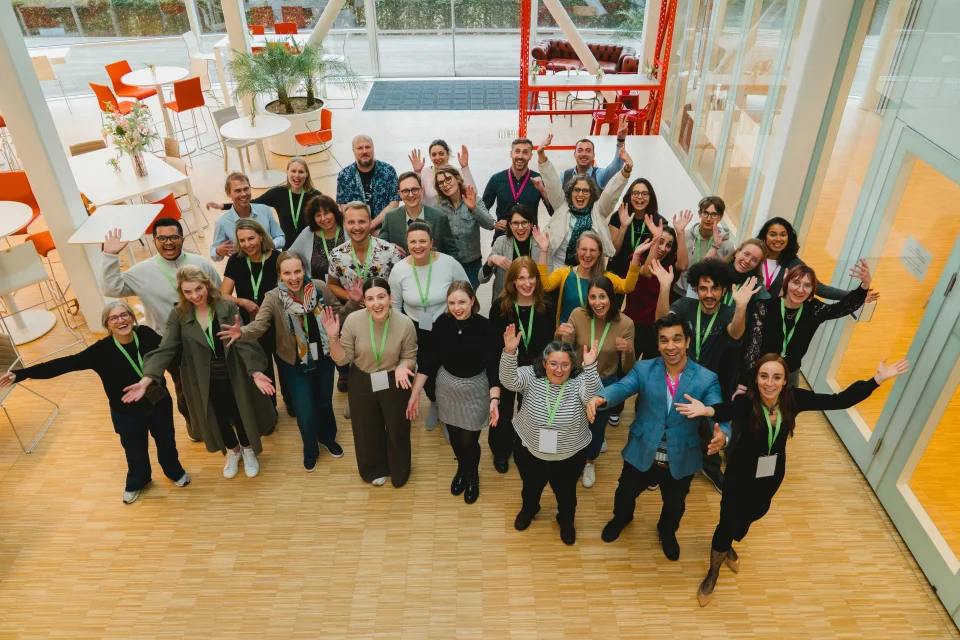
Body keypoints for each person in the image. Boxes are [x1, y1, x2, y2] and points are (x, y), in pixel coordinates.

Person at [675, 354, 909, 606]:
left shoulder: (794, 400)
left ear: (786, 380)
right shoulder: (747, 402)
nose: (769, 383)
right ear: (756, 378)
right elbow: (726, 410)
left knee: (754, 513)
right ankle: (713, 572)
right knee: (727, 522)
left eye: (776, 377)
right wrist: (707, 410)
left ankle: (730, 540)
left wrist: (876, 380)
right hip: (740, 475)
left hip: (771, 474)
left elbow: (839, 401)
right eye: (764, 376)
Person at [0, 302, 189, 505]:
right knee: (134, 451)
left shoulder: (146, 334)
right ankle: (138, 481)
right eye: (114, 318)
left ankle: (173, 470)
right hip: (126, 412)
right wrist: (22, 374)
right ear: (107, 325)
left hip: (158, 402)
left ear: (132, 319)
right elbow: (65, 364)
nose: (121, 320)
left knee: (167, 441)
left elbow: (171, 350)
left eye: (124, 315)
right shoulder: (101, 351)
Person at [586, 313, 732, 561]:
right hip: (642, 450)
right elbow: (622, 388)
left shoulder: (706, 378)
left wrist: (723, 435)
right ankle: (622, 518)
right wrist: (602, 396)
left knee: (675, 507)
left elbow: (718, 410)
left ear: (687, 341)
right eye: (664, 340)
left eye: (677, 339)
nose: (670, 346)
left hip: (681, 456)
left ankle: (666, 532)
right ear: (657, 344)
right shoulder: (644, 369)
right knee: (624, 495)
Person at [122, 266, 277, 479]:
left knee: (241, 411)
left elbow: (240, 340)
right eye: (187, 292)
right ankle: (233, 451)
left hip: (233, 372)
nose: (194, 296)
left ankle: (248, 450)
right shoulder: (178, 315)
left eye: (198, 289)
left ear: (207, 284)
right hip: (202, 378)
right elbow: (166, 348)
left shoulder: (226, 305)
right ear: (181, 292)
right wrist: (147, 380)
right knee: (217, 415)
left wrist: (255, 372)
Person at [219, 252, 346, 472]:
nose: (293, 277)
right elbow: (260, 325)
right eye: (287, 272)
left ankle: (327, 438)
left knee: (324, 403)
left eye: (297, 271)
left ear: (304, 270)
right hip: (295, 364)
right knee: (305, 412)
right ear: (280, 274)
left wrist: (353, 303)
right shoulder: (273, 297)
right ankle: (310, 450)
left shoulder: (319, 287)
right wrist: (243, 332)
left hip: (324, 358)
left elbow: (337, 312)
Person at [100, 221, 222, 442]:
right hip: (172, 343)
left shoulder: (199, 263)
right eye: (162, 238)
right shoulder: (142, 271)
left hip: (206, 337)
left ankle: (224, 417)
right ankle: (195, 425)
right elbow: (112, 288)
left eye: (174, 237)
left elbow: (219, 293)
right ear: (154, 241)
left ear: (182, 239)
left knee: (216, 379)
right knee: (184, 387)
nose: (168, 242)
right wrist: (110, 256)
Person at [652, 258, 759, 491]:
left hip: (715, 384)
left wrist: (741, 307)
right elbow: (662, 322)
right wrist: (664, 288)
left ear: (723, 290)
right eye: (703, 288)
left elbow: (735, 333)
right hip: (679, 380)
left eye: (715, 288)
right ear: (695, 289)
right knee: (671, 424)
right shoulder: (684, 306)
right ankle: (661, 465)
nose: (709, 294)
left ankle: (711, 467)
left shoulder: (731, 312)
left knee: (713, 429)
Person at [500, 330, 601, 545]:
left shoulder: (580, 381)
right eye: (553, 364)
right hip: (530, 451)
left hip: (568, 456)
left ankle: (566, 521)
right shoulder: (530, 375)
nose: (558, 370)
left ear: (572, 366)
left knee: (566, 496)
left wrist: (591, 366)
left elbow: (593, 394)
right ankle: (530, 509)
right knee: (530, 487)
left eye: (565, 365)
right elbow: (508, 380)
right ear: (544, 363)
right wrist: (509, 351)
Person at [409, 281, 500, 504]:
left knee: (469, 441)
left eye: (462, 302)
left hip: (476, 389)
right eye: (452, 303)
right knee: (457, 440)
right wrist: (414, 395)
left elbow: (493, 365)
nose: (457, 307)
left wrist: (494, 398)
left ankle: (472, 475)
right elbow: (428, 361)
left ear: (473, 301)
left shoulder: (485, 327)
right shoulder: (441, 324)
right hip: (447, 388)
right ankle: (462, 468)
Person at [325, 277, 418, 488]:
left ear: (391, 298)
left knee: (397, 428)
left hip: (395, 378)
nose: (377, 304)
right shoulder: (353, 321)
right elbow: (342, 359)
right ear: (364, 302)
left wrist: (404, 368)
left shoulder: (405, 324)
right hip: (362, 379)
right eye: (370, 299)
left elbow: (409, 356)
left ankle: (399, 468)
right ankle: (373, 468)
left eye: (381, 297)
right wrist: (333, 337)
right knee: (366, 428)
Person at [389, 220, 468, 432]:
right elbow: (395, 305)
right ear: (406, 243)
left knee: (449, 366)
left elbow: (467, 292)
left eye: (423, 241)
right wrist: (402, 332)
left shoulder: (448, 263)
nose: (418, 246)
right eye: (413, 241)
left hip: (448, 323)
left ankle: (450, 410)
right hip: (416, 326)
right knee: (427, 367)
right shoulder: (398, 270)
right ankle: (434, 402)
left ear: (431, 242)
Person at [743, 261, 872, 387]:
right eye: (796, 283)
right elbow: (752, 347)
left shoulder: (814, 309)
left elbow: (841, 308)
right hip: (763, 373)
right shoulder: (764, 307)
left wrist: (865, 285)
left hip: (790, 374)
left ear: (812, 290)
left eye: (807, 286)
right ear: (787, 283)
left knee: (788, 408)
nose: (800, 290)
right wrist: (746, 383)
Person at [559, 276, 635, 489]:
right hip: (576, 379)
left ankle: (590, 462)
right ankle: (572, 457)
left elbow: (629, 368)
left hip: (604, 382)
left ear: (611, 298)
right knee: (573, 422)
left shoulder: (626, 323)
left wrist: (627, 351)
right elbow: (565, 351)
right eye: (592, 297)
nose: (597, 302)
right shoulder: (578, 315)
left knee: (597, 427)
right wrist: (561, 336)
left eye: (602, 296)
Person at [327, 201, 404, 400]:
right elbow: (332, 285)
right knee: (359, 362)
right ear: (344, 224)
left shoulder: (390, 251)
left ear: (371, 222)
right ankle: (363, 401)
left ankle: (390, 400)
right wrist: (352, 298)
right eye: (351, 222)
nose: (357, 227)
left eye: (362, 221)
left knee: (385, 359)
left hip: (385, 317)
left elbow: (399, 285)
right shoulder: (337, 255)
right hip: (356, 318)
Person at [488, 257, 556, 474]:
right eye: (521, 278)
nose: (527, 283)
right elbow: (492, 347)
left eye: (531, 277)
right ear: (512, 282)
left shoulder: (547, 306)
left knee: (532, 411)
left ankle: (527, 446)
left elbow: (548, 343)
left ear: (537, 278)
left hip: (536, 368)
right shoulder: (500, 307)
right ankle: (501, 450)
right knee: (504, 411)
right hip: (508, 364)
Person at [221, 218, 289, 416]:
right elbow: (223, 293)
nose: (247, 244)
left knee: (285, 364)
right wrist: (243, 301)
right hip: (250, 323)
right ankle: (269, 409)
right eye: (242, 240)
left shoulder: (278, 258)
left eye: (251, 238)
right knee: (261, 365)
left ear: (261, 236)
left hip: (277, 322)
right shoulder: (236, 261)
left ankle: (291, 401)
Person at [536, 134, 632, 269]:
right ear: (570, 192)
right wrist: (541, 156)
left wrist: (627, 169)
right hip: (558, 267)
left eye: (585, 191)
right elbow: (552, 183)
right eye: (576, 190)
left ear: (591, 194)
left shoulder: (598, 210)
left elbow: (611, 193)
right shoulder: (561, 205)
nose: (580, 194)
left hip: (589, 269)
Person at [535, 229, 642, 326]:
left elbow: (627, 287)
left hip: (594, 337)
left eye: (592, 250)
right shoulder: (564, 274)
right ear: (577, 250)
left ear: (599, 253)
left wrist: (636, 257)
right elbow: (545, 286)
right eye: (583, 249)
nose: (587, 254)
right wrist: (544, 251)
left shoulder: (605, 278)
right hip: (567, 335)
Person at [207, 157, 320, 244]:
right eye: (293, 171)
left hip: (309, 245)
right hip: (287, 247)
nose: (297, 175)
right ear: (287, 172)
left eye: (301, 172)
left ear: (306, 174)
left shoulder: (315, 197)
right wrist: (222, 206)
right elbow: (249, 202)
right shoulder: (278, 193)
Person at [623, 217, 688, 361]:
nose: (663, 248)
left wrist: (681, 233)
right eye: (660, 241)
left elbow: (683, 265)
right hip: (632, 323)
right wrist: (655, 241)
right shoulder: (637, 257)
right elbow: (647, 272)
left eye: (668, 245)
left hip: (657, 327)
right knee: (625, 367)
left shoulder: (669, 264)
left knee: (651, 368)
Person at [757, 217, 861, 300]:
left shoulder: (794, 264)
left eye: (783, 235)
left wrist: (856, 295)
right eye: (772, 234)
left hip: (770, 317)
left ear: (789, 238)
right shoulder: (754, 257)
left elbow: (819, 288)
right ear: (764, 236)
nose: (778, 239)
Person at [434, 164, 495, 289]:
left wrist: (474, 208)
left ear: (457, 178)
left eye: (448, 179)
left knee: (469, 300)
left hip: (472, 264)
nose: (445, 184)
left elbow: (490, 224)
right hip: (448, 264)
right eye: (441, 183)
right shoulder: (438, 207)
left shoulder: (474, 200)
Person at [482, 137, 553, 242]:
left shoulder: (538, 180)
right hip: (502, 239)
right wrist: (492, 224)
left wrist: (543, 190)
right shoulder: (496, 179)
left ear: (530, 156)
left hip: (529, 241)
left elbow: (552, 211)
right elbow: (482, 208)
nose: (520, 156)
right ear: (511, 154)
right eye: (517, 151)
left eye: (525, 152)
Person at [209, 172, 285, 262]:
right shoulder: (222, 222)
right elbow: (214, 255)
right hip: (243, 268)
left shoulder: (265, 210)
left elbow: (280, 237)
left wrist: (269, 245)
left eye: (246, 189)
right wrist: (218, 251)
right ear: (228, 193)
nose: (244, 194)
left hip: (269, 262)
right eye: (238, 191)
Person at [378, 171, 457, 256]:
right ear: (399, 194)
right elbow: (380, 248)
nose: (411, 195)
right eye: (405, 191)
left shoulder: (439, 217)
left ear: (422, 190)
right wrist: (390, 247)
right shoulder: (390, 218)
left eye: (414, 189)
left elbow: (452, 252)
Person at [607, 179, 671, 278]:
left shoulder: (659, 222)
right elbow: (613, 252)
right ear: (630, 196)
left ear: (650, 197)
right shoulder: (619, 216)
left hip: (642, 276)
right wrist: (623, 227)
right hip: (617, 273)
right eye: (635, 193)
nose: (640, 197)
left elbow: (660, 256)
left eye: (644, 193)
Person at [480, 204, 541, 303]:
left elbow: (546, 282)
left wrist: (544, 250)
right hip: (504, 303)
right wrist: (491, 260)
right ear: (509, 225)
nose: (520, 228)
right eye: (515, 223)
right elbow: (482, 279)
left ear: (531, 224)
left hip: (532, 302)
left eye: (524, 222)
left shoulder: (540, 244)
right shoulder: (501, 242)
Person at [336, 134, 399, 229]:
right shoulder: (344, 175)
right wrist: (360, 226)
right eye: (360, 148)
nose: (364, 151)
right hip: (356, 228)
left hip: (385, 228)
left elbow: (394, 203)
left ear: (373, 148)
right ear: (353, 151)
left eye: (368, 147)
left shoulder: (388, 171)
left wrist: (371, 225)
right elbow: (344, 206)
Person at [675, 196, 734, 297]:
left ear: (721, 216)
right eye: (705, 213)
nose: (708, 218)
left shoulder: (726, 245)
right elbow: (678, 266)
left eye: (714, 214)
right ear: (699, 213)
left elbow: (726, 276)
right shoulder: (685, 235)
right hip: (680, 292)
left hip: (708, 297)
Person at [288, 194, 346, 282]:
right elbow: (289, 255)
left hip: (348, 288)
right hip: (318, 290)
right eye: (318, 215)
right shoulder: (308, 233)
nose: (323, 218)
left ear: (334, 213)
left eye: (326, 213)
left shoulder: (346, 229)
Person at [409, 140, 476, 206]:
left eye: (441, 154)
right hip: (431, 215)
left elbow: (473, 194)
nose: (437, 158)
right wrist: (417, 172)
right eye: (434, 155)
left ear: (448, 155)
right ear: (430, 157)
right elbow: (415, 197)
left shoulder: (457, 172)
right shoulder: (424, 173)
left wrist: (465, 168)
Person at [560, 127, 627, 189]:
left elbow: (615, 167)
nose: (584, 154)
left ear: (593, 155)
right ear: (574, 154)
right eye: (580, 150)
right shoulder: (564, 176)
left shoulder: (599, 176)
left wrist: (620, 142)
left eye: (588, 151)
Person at [721, 239, 771, 308]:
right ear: (737, 253)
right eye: (746, 254)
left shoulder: (755, 285)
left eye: (754, 260)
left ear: (757, 265)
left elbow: (771, 307)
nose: (747, 261)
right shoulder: (717, 270)